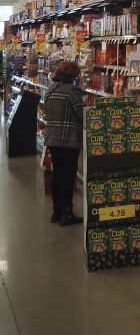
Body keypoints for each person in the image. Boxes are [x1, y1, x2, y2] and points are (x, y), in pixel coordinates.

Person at [44, 60, 85, 226]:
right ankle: (67, 214)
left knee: (58, 174)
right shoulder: (72, 91)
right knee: (68, 175)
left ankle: (57, 211)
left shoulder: (50, 89)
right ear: (73, 75)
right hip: (68, 139)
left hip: (53, 138)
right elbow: (82, 113)